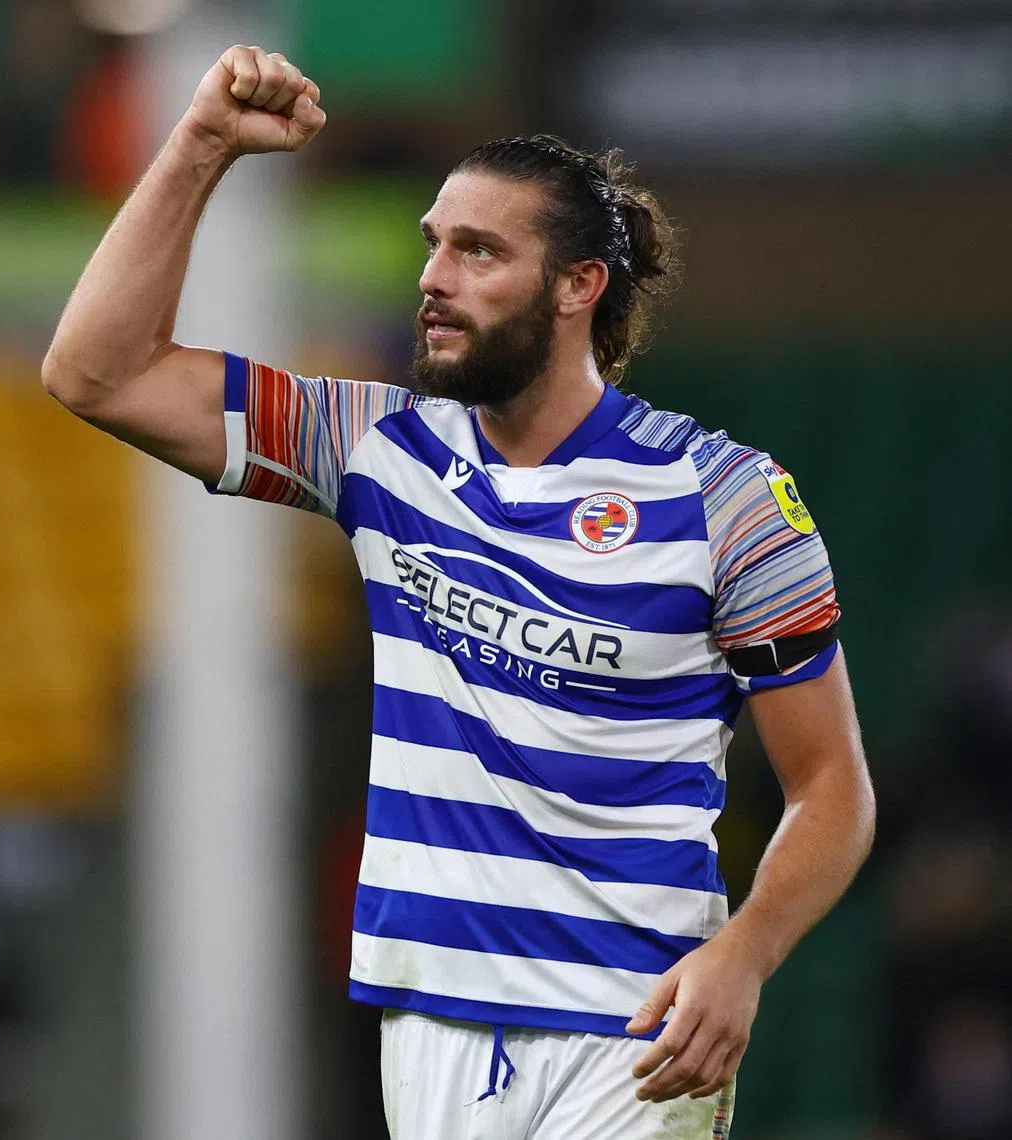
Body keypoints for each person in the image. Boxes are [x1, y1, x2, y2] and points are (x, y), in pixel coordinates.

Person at [43, 44, 876, 1140]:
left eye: (479, 252)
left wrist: (746, 952)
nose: (434, 277)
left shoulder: (726, 497)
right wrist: (199, 146)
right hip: (431, 1024)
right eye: (434, 245)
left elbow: (832, 790)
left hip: (633, 1030)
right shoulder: (378, 451)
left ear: (579, 287)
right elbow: (93, 372)